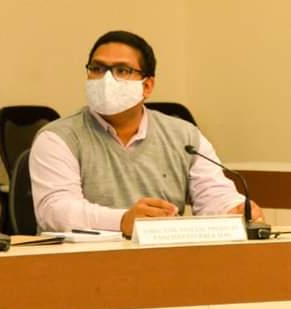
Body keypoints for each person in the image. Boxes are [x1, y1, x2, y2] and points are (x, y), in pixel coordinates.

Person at [29, 30, 262, 237]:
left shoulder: (184, 137)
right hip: (81, 263)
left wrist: (234, 210)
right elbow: (55, 211)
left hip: (162, 261)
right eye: (97, 69)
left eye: (122, 70)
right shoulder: (58, 137)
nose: (106, 79)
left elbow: (213, 194)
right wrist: (122, 221)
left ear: (147, 86)